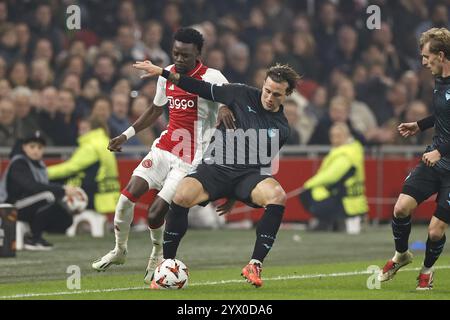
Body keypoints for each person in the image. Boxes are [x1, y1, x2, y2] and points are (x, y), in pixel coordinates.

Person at [132, 59, 299, 288]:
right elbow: (199, 87)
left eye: (277, 95)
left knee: (278, 196)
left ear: (287, 94)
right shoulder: (239, 93)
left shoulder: (281, 128)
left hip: (245, 176)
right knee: (180, 196)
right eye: (267, 91)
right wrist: (162, 72)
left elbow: (263, 163)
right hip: (214, 168)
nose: (269, 98)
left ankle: (255, 263)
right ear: (263, 85)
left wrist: (235, 196)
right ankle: (167, 263)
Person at [91, 28, 235, 285]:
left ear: (198, 54)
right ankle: (119, 250)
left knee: (156, 213)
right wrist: (126, 134)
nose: (179, 59)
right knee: (126, 198)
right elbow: (156, 109)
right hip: (164, 148)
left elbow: (227, 96)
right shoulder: (165, 75)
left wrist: (224, 107)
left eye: (186, 55)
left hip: (190, 158)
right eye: (176, 53)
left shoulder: (212, 76)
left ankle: (157, 253)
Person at [378, 28, 450, 290]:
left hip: (445, 161)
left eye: (426, 56)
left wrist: (441, 150)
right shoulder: (440, 80)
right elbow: (444, 116)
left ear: (440, 56)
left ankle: (427, 272)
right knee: (401, 208)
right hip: (435, 160)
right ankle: (401, 255)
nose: (423, 62)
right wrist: (420, 125)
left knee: (434, 230)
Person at [0, 131, 78, 250]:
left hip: (25, 205)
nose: (36, 150)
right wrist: (62, 189)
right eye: (32, 147)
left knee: (63, 212)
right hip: (8, 208)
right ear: (24, 147)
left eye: (40, 147)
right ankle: (34, 239)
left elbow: (41, 187)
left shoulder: (40, 165)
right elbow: (32, 187)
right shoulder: (19, 163)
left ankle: (34, 236)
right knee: (48, 196)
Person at [299, 123, 368, 234]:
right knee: (311, 193)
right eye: (333, 136)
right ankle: (329, 222)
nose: (335, 139)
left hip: (347, 200)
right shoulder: (352, 149)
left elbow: (332, 175)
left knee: (308, 194)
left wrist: (308, 184)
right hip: (351, 199)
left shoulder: (347, 153)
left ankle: (328, 222)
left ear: (347, 136)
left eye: (338, 136)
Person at [47, 117, 120, 215]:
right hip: (105, 192)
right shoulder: (104, 141)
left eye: (84, 129)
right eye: (80, 129)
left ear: (93, 129)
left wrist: (45, 172)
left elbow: (70, 168)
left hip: (92, 192)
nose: (80, 132)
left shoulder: (91, 146)